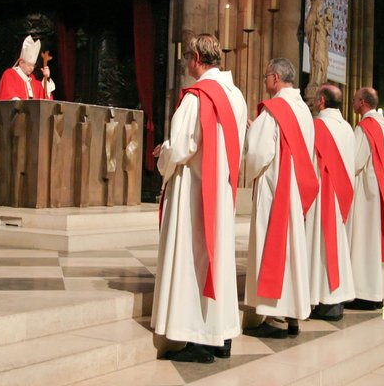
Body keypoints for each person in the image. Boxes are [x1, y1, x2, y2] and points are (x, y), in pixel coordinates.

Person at [150, 34, 247, 363]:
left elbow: (180, 147)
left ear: (195, 58)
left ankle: (199, 338)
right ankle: (221, 336)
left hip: (195, 190)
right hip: (220, 189)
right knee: (215, 260)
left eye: (187, 58)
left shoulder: (197, 97)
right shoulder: (236, 96)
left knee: (195, 260)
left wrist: (162, 152)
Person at [244, 58, 317, 338]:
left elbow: (259, 154)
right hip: (294, 188)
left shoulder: (274, 111)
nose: (264, 82)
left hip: (275, 190)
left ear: (275, 78)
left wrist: (251, 137)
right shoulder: (304, 111)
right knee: (292, 252)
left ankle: (273, 315)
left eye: (265, 77)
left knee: (272, 248)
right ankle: (292, 315)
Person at [306, 84, 355, 321]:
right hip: (340, 194)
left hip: (321, 194)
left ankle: (322, 299)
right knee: (335, 246)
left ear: (322, 102)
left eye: (316, 98)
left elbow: (309, 160)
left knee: (319, 246)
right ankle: (335, 298)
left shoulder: (318, 126)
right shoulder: (347, 127)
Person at [346, 87, 384, 308]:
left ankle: (364, 294)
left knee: (364, 242)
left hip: (366, 194)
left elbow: (355, 161)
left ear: (363, 102)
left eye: (355, 99)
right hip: (379, 189)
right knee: (374, 242)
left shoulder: (366, 127)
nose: (353, 102)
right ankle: (376, 292)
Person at [0, 35, 55, 100]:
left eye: (33, 65)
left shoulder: (32, 79)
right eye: (29, 65)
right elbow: (8, 95)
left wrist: (47, 78)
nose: (32, 68)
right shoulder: (10, 74)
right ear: (21, 62)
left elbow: (44, 96)